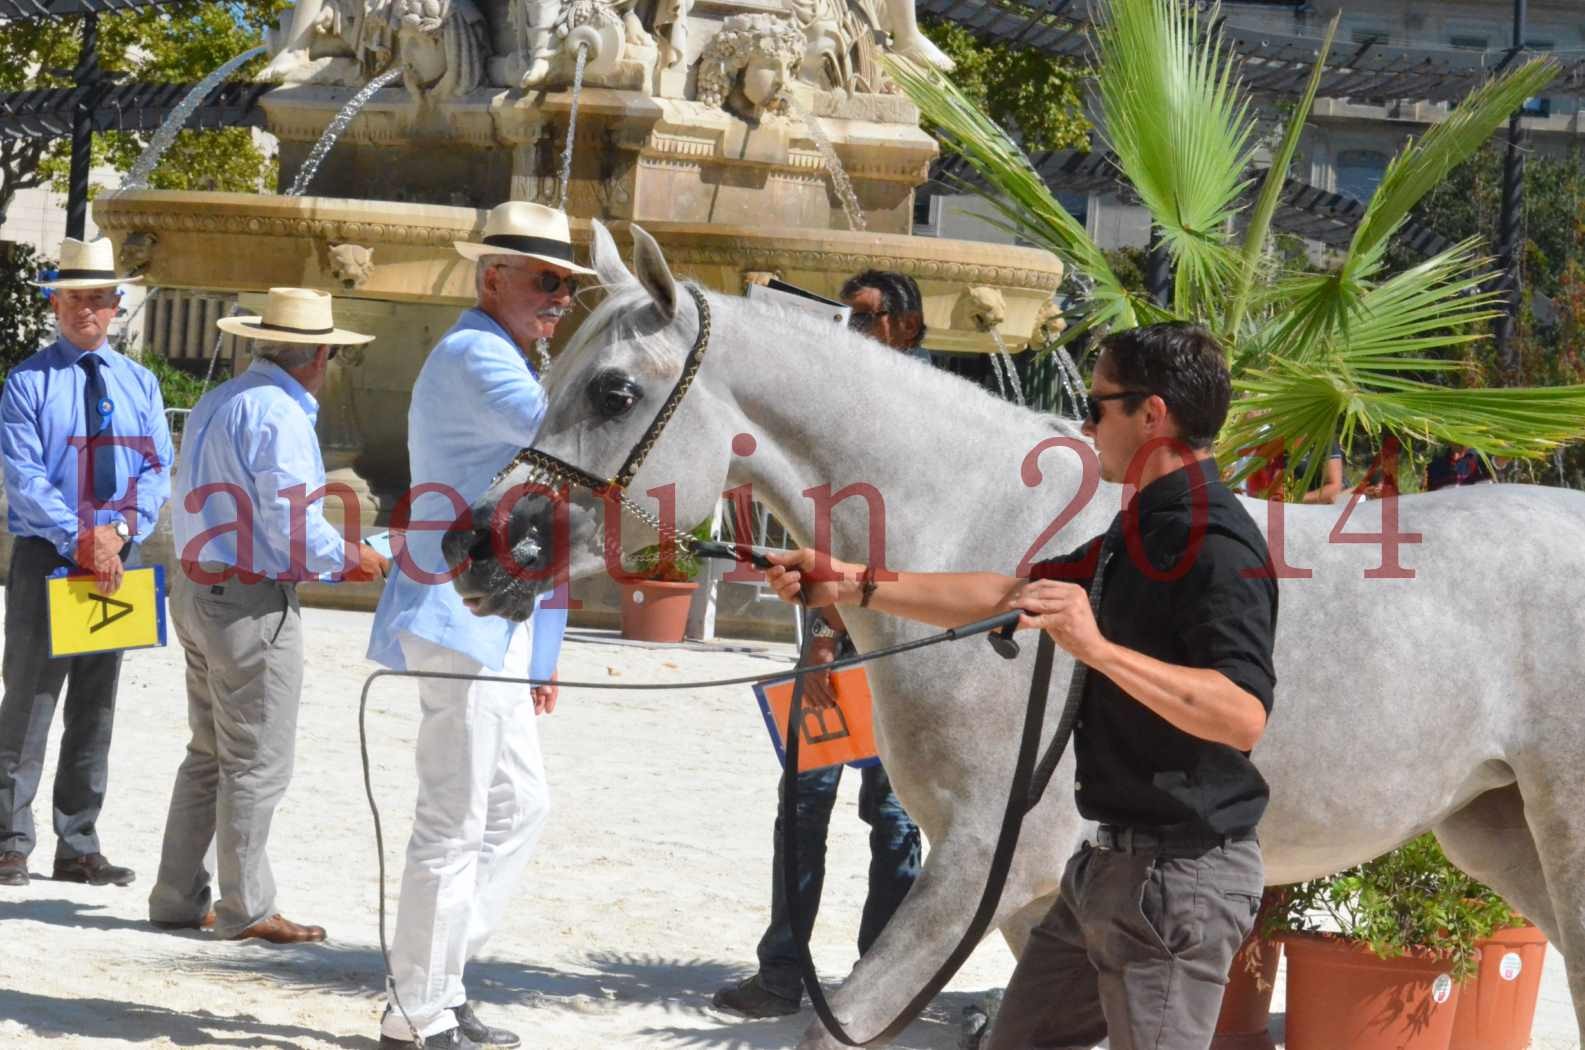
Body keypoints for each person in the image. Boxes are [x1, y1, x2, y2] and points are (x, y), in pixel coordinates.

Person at [764, 322, 1278, 1050]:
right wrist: (850, 582)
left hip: (1179, 881)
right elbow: (1009, 593)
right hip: (1104, 869)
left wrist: (1093, 647)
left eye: (1098, 407)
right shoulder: (1140, 531)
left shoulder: (1215, 544)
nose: (1085, 423)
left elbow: (1240, 714)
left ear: (1151, 414)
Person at [367, 201, 592, 1050]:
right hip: (459, 609)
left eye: (567, 287)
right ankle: (418, 1009)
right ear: (490, 275)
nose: (558, 299)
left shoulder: (503, 354)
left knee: (519, 805)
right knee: (454, 819)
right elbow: (568, 441)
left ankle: (433, 984)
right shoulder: (476, 353)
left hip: (488, 613)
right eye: (546, 281)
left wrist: (543, 647)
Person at [712, 270, 926, 1019]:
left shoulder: (913, 413)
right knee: (817, 804)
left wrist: (825, 642)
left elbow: (894, 537)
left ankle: (864, 981)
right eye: (846, 316)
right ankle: (799, 973)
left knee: (887, 816)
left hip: (886, 646)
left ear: (905, 327)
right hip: (857, 636)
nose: (851, 330)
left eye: (864, 319)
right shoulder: (860, 404)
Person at [148, 288, 389, 941]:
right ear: (316, 355)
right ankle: (247, 907)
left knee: (209, 751)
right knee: (256, 760)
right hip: (247, 599)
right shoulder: (278, 413)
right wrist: (352, 557)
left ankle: (176, 894)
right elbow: (293, 526)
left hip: (198, 586)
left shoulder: (222, 399)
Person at [0, 237, 174, 888]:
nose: (87, 310)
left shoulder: (141, 384)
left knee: (97, 706)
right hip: (51, 555)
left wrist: (121, 529)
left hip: (116, 560)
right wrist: (83, 537)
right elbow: (24, 477)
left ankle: (78, 844)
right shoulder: (26, 382)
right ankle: (8, 840)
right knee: (30, 701)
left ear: (116, 304)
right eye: (74, 297)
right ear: (55, 302)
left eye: (99, 298)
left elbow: (157, 467)